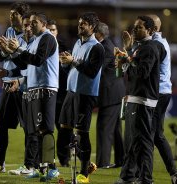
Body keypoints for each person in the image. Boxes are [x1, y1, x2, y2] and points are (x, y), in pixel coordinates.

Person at [4, 12, 60, 182]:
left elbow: (37, 60)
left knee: (46, 130)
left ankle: (52, 169)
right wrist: (12, 52)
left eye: (34, 23)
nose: (30, 26)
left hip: (46, 90)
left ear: (43, 23)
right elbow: (24, 63)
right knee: (37, 131)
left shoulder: (47, 38)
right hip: (35, 89)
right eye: (29, 23)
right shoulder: (36, 40)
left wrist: (18, 49)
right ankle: (40, 167)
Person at [114, 15, 166, 184]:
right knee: (131, 142)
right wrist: (126, 57)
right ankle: (128, 176)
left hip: (143, 101)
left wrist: (127, 59)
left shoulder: (150, 48)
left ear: (150, 30)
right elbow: (133, 71)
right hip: (134, 99)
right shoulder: (140, 47)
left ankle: (145, 179)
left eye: (139, 28)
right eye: (134, 27)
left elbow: (143, 72)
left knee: (142, 144)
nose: (134, 30)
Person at [58, 12, 105, 183]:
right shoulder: (78, 43)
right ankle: (70, 162)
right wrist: (65, 64)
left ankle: (84, 173)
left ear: (92, 27)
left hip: (85, 95)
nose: (80, 26)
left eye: (84, 24)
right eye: (79, 23)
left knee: (81, 133)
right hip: (71, 92)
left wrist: (73, 61)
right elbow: (73, 69)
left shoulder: (98, 48)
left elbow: (92, 72)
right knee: (64, 128)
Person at [0, 2, 30, 173]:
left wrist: (9, 55)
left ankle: (28, 165)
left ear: (22, 17)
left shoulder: (28, 35)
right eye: (10, 14)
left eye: (14, 14)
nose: (11, 17)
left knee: (28, 128)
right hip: (7, 84)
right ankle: (0, 163)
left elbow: (27, 64)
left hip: (23, 85)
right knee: (2, 125)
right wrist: (4, 51)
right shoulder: (9, 31)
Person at [147, 14, 177, 184]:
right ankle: (174, 173)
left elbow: (148, 70)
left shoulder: (155, 44)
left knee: (148, 135)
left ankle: (145, 177)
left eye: (142, 26)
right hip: (164, 91)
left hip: (157, 92)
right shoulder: (162, 42)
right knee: (157, 136)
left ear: (152, 29)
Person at [94, 22, 125, 169]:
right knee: (115, 130)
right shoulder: (109, 45)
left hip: (110, 94)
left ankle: (102, 163)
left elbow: (97, 68)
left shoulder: (105, 47)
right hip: (114, 93)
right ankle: (121, 160)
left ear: (98, 34)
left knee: (103, 128)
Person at [46, 19, 71, 167]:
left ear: (57, 32)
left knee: (63, 127)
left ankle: (64, 158)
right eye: (48, 29)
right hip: (48, 92)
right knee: (50, 127)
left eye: (53, 30)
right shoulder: (41, 46)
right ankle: (46, 160)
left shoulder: (64, 47)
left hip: (62, 92)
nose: (51, 32)